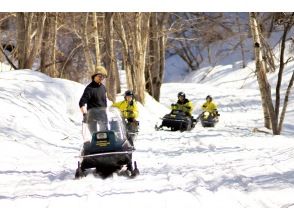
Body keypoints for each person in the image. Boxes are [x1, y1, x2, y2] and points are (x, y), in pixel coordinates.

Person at [79, 65, 108, 132]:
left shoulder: (103, 87)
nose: (102, 78)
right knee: (94, 136)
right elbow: (82, 102)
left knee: (104, 135)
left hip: (103, 116)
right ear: (95, 76)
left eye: (103, 77)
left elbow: (105, 101)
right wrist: (85, 114)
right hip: (92, 117)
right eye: (100, 76)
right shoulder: (89, 88)